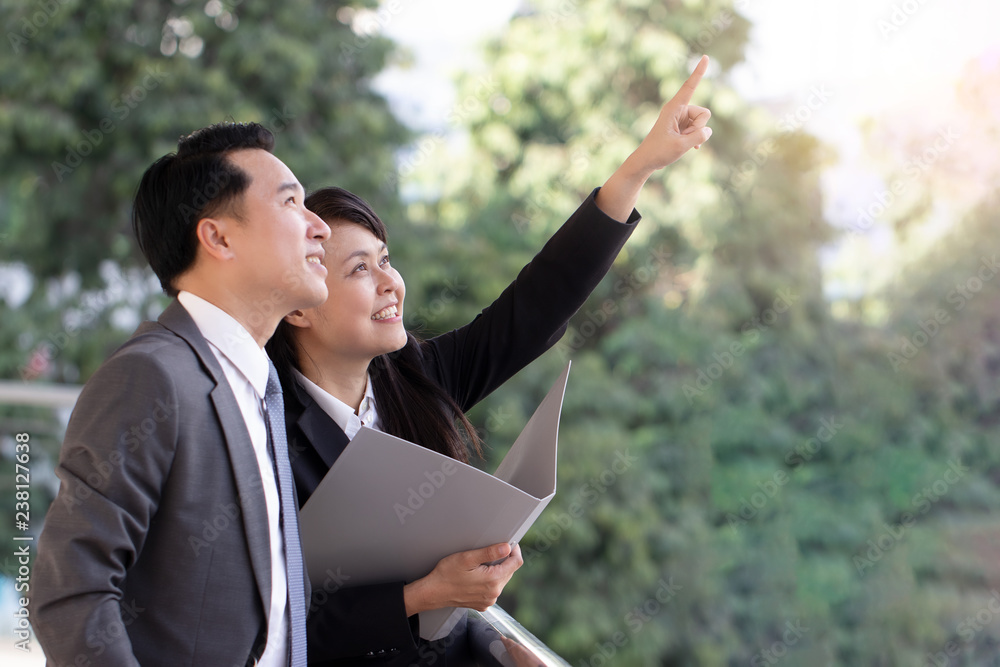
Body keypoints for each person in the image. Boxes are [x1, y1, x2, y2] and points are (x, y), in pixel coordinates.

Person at [266, 56, 714, 665]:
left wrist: (639, 168)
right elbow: (266, 629)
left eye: (385, 259)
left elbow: (533, 308)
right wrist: (423, 594)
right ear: (299, 307)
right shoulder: (261, 431)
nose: (390, 283)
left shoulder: (415, 379)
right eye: (359, 269)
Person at [30, 122, 330, 666]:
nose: (319, 228)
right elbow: (69, 590)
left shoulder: (261, 382)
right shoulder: (151, 376)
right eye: (291, 203)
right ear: (217, 237)